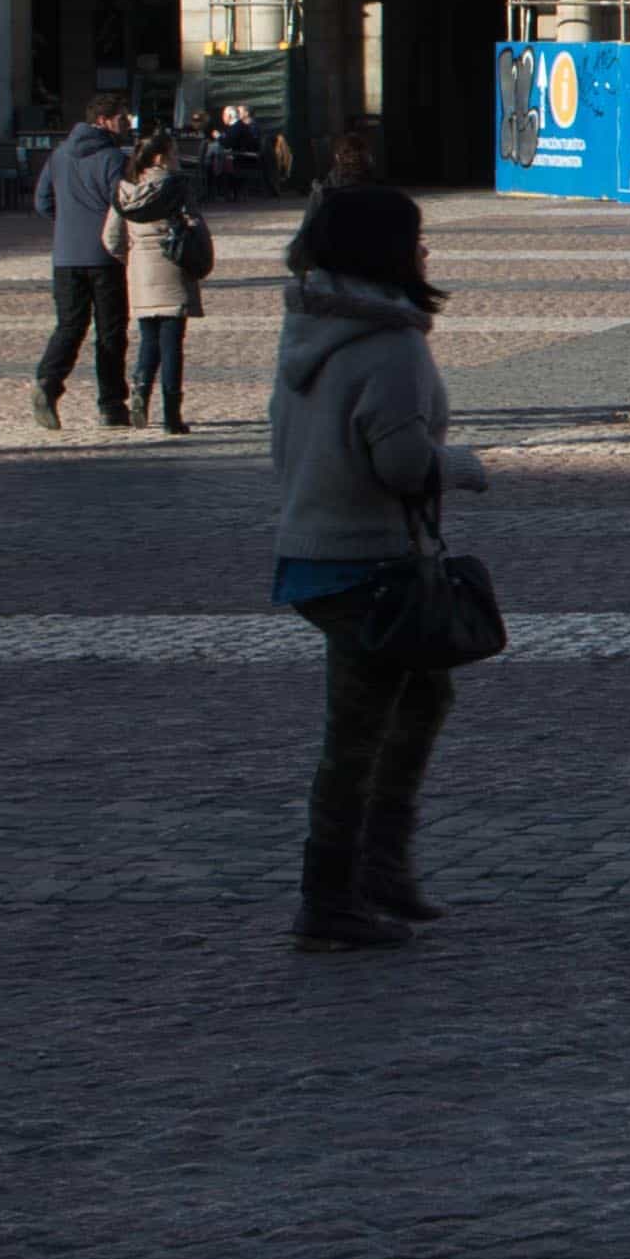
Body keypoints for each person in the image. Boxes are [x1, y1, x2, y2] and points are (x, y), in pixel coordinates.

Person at [267, 180, 479, 951]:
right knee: (358, 730)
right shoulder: (389, 345)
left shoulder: (312, 329)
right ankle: (331, 897)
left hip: (316, 547)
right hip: (367, 559)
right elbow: (400, 462)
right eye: (416, 236)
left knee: (422, 698)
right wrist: (463, 465)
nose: (426, 249)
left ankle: (382, 869)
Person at [30, 95, 142, 429]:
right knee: (110, 331)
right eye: (122, 117)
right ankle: (111, 405)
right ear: (104, 120)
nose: (126, 123)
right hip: (104, 256)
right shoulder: (112, 158)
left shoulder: (59, 154)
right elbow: (123, 203)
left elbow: (42, 202)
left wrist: (67, 223)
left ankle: (48, 383)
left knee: (69, 326)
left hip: (65, 255)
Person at [111, 120, 210, 433]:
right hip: (173, 268)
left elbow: (111, 238)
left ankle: (140, 391)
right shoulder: (176, 187)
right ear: (160, 157)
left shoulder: (124, 190)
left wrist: (131, 257)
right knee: (172, 344)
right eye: (174, 152)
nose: (177, 157)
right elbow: (195, 226)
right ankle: (171, 415)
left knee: (148, 339)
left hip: (140, 270)